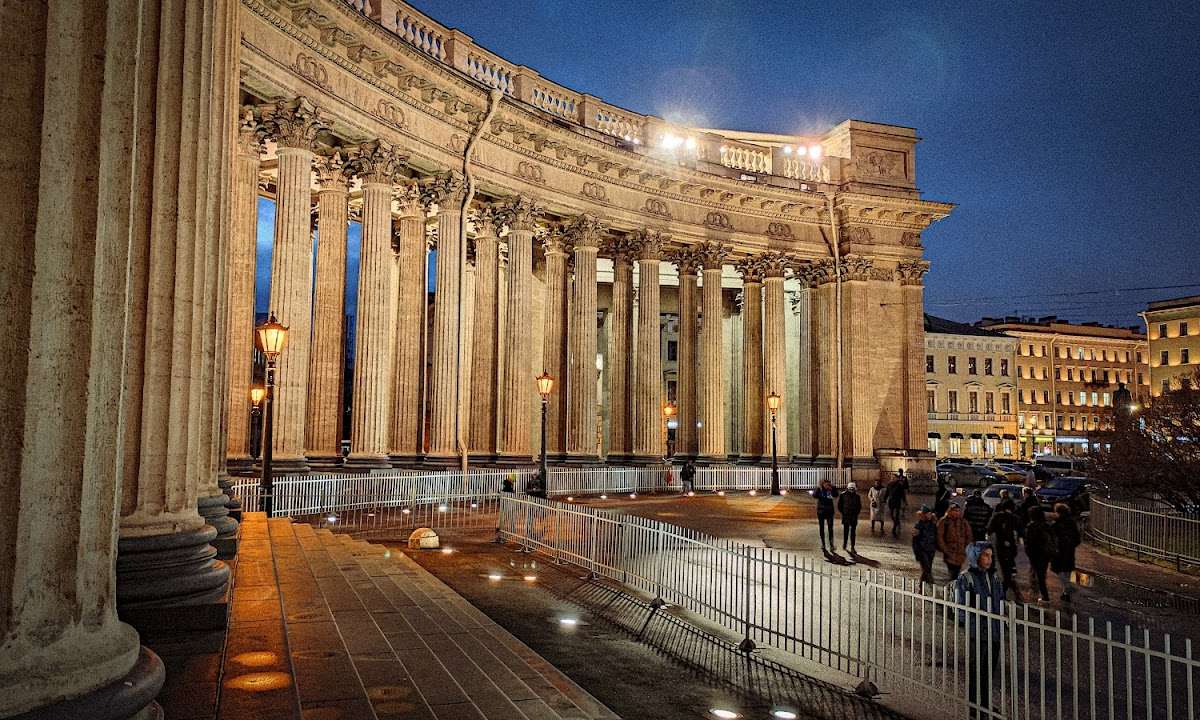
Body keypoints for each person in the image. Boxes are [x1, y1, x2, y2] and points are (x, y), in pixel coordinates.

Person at [953, 542, 1005, 719]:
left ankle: (984, 704)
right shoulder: (966, 578)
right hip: (979, 632)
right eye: (985, 555)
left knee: (989, 670)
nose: (989, 559)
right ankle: (975, 708)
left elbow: (1000, 601)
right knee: (977, 670)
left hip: (995, 631)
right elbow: (960, 607)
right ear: (976, 557)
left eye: (991, 555)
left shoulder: (994, 577)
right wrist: (973, 623)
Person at [986, 499, 1023, 603]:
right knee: (1007, 567)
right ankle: (1008, 582)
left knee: (1004, 569)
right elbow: (1021, 534)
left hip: (1000, 546)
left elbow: (989, 529)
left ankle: (1002, 591)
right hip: (1012, 547)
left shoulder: (997, 517)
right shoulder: (1015, 518)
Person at [1023, 506, 1056, 602]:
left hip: (1035, 554)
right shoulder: (1046, 525)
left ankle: (1044, 595)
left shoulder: (1031, 526)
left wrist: (1029, 553)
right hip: (1045, 554)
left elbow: (1028, 542)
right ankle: (1041, 592)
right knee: (1041, 573)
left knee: (1038, 574)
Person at [1051, 503, 1081, 602]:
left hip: (1059, 550)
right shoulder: (1071, 522)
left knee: (1057, 569)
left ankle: (1067, 587)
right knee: (1068, 570)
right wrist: (1073, 545)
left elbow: (1052, 537)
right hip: (1070, 549)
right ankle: (1065, 593)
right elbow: (1077, 536)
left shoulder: (1056, 524)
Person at [937, 504, 972, 579]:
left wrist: (966, 547)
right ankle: (952, 587)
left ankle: (953, 586)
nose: (957, 513)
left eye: (958, 511)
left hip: (961, 553)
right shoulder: (944, 521)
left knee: (956, 572)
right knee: (953, 572)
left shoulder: (963, 522)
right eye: (955, 511)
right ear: (950, 511)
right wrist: (945, 549)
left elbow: (969, 535)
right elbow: (939, 537)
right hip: (950, 552)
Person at [912, 505, 938, 586]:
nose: (929, 515)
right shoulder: (919, 525)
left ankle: (922, 586)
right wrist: (917, 553)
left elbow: (936, 537)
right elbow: (915, 541)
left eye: (930, 514)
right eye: (927, 514)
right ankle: (931, 584)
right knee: (927, 569)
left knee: (927, 569)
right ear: (923, 514)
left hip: (931, 550)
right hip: (922, 551)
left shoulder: (933, 525)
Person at [837, 481, 862, 553]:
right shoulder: (843, 495)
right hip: (846, 516)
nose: (851, 490)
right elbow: (839, 505)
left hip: (854, 516)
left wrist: (856, 513)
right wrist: (843, 513)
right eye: (850, 488)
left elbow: (859, 506)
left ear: (855, 489)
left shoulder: (857, 496)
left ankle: (852, 546)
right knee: (846, 531)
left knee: (853, 532)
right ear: (847, 488)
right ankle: (845, 543)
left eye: (853, 489)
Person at [814, 479, 838, 553]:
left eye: (828, 484)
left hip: (830, 511)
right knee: (821, 528)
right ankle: (823, 544)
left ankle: (831, 544)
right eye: (826, 484)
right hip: (821, 511)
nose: (827, 485)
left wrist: (832, 489)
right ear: (823, 484)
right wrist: (819, 489)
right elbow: (814, 495)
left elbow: (836, 495)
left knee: (830, 528)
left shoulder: (831, 489)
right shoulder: (819, 490)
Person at [887, 469, 909, 538]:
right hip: (891, 501)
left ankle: (894, 527)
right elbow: (887, 492)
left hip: (897, 501)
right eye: (892, 478)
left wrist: (905, 501)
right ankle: (896, 522)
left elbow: (902, 493)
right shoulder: (889, 484)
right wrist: (884, 499)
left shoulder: (901, 483)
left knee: (896, 514)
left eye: (894, 478)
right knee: (891, 515)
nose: (892, 478)